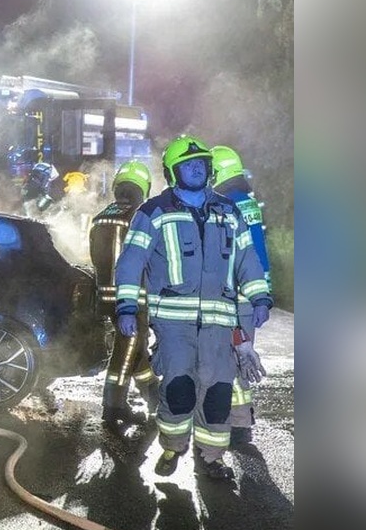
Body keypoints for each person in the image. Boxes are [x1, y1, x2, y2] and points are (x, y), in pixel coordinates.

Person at [114, 136, 272, 481]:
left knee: (217, 393)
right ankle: (173, 446)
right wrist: (126, 308)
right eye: (188, 165)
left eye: (201, 164)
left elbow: (248, 258)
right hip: (174, 326)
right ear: (173, 172)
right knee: (179, 389)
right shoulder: (153, 212)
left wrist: (260, 297)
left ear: (210, 170)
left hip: (220, 325)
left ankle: (212, 458)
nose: (196, 169)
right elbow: (130, 262)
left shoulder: (228, 212)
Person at [89, 161, 160, 432]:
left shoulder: (101, 216)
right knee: (126, 351)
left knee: (135, 349)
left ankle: (155, 398)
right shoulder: (141, 217)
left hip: (106, 297)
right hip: (133, 298)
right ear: (143, 189)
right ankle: (114, 406)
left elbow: (96, 259)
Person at [211, 145, 272, 446]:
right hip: (250, 296)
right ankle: (241, 420)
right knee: (242, 356)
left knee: (227, 359)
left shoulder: (226, 207)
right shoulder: (248, 202)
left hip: (232, 297)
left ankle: (234, 424)